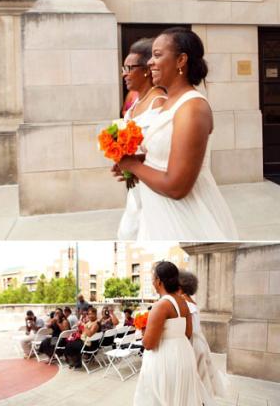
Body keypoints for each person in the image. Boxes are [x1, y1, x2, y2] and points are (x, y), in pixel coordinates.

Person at [115, 28, 239, 240]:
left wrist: (131, 164)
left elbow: (177, 187)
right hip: (157, 212)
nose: (150, 63)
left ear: (181, 60)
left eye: (157, 55)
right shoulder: (170, 102)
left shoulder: (192, 108)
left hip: (183, 216)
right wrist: (140, 160)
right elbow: (168, 153)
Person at [134, 261, 205, 405]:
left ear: (159, 281)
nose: (152, 282)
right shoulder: (183, 303)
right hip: (183, 356)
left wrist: (144, 331)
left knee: (162, 398)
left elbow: (149, 344)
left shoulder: (160, 306)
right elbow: (188, 333)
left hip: (165, 360)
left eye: (153, 279)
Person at [117, 38, 167, 240]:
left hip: (153, 185)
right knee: (129, 232)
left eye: (130, 68)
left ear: (147, 70)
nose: (124, 74)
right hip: (136, 185)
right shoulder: (135, 101)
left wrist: (134, 163)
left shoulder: (160, 103)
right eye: (124, 68)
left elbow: (164, 149)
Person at [179, 270, 227, 402]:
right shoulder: (192, 302)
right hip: (200, 341)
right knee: (202, 375)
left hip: (192, 342)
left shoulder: (184, 303)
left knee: (195, 377)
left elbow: (187, 330)